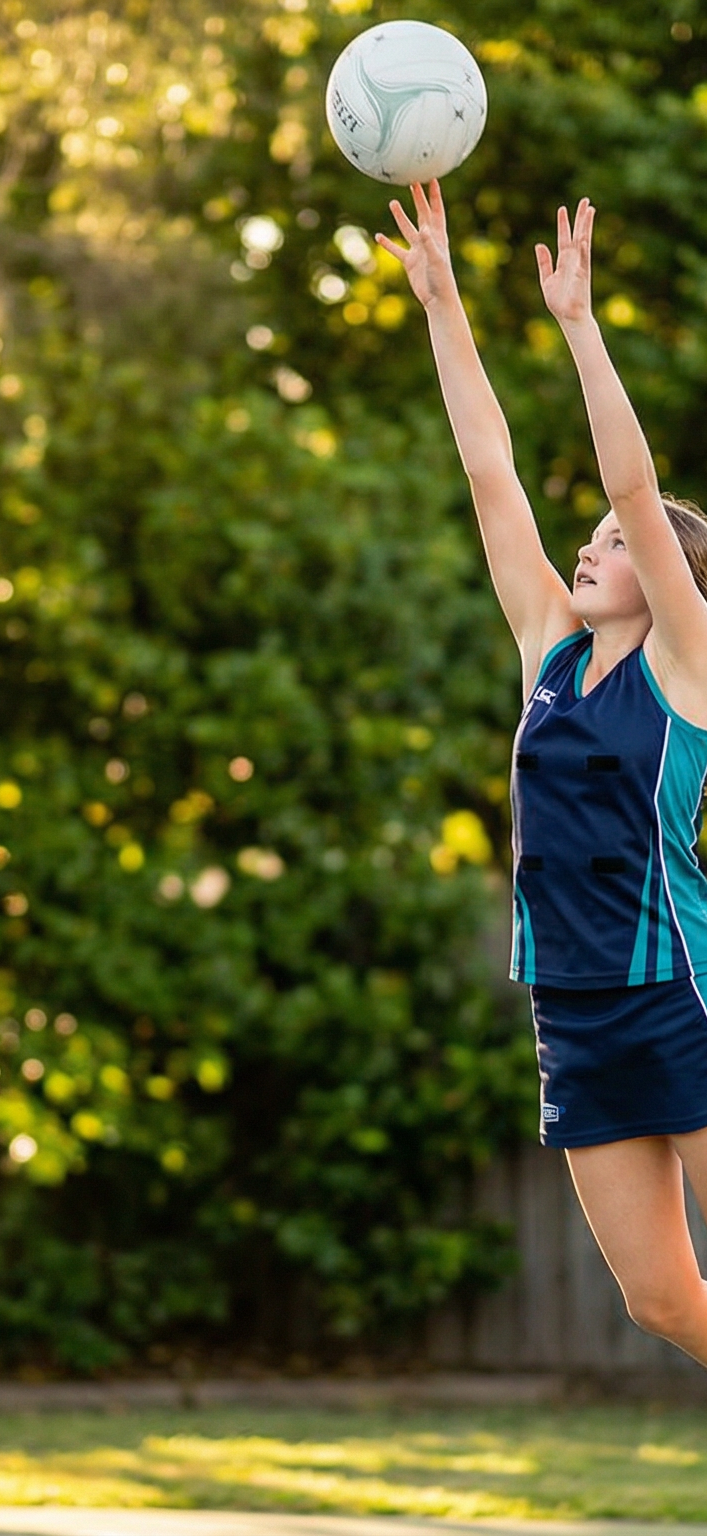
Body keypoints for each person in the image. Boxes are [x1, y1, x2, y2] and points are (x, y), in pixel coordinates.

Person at [376, 181, 707, 1368]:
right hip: (567, 1008)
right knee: (663, 1305)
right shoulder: (547, 655)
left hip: (678, 990)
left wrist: (577, 323)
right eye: (595, 541)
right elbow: (488, 472)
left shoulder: (685, 663)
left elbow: (629, 483)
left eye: (617, 546)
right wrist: (442, 302)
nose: (591, 542)